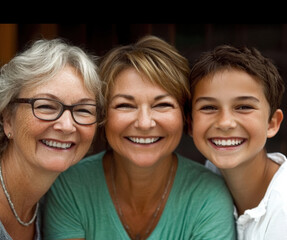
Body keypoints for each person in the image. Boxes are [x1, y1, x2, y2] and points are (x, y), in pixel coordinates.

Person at [43, 35, 236, 240]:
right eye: (125, 105)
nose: (144, 123)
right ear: (103, 115)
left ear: (185, 116)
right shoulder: (71, 187)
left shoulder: (208, 195)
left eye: (162, 105)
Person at [0, 38, 103, 240]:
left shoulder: (63, 197)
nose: (67, 126)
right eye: (46, 106)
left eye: (83, 110)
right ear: (7, 118)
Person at [189, 44, 287, 239]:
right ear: (189, 124)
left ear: (272, 123)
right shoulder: (209, 174)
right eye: (208, 107)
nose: (225, 123)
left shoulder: (282, 210)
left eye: (243, 107)